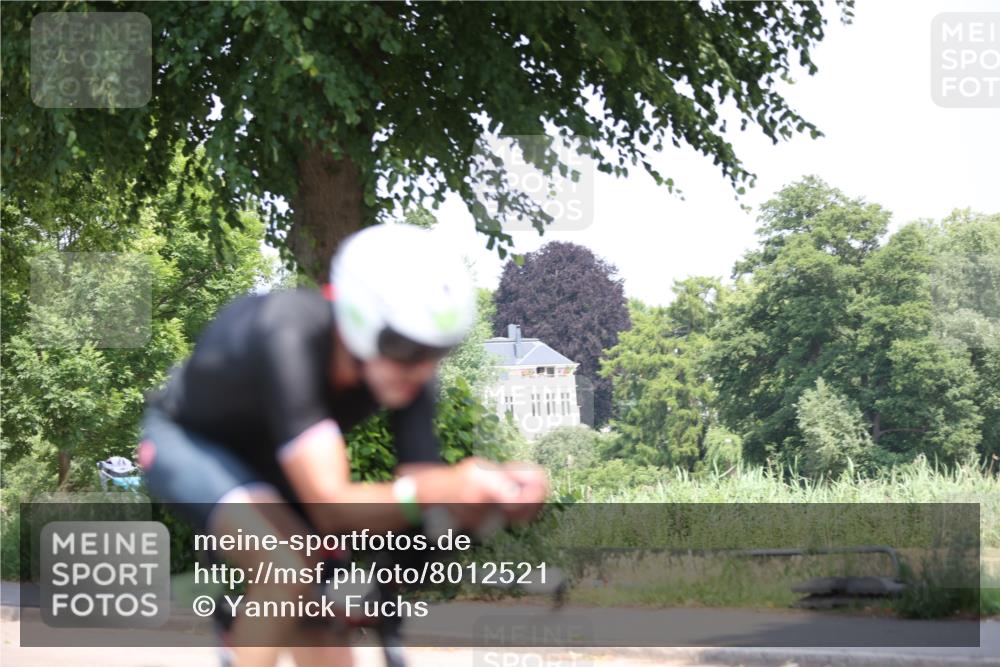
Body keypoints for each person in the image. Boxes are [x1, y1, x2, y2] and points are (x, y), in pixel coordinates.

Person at [137, 223, 548, 667]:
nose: (422, 369)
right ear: (358, 318)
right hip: (187, 440)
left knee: (324, 617)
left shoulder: (408, 369)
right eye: (409, 349)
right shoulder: (289, 333)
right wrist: (443, 489)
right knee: (286, 566)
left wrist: (488, 494)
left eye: (437, 352)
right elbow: (330, 504)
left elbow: (420, 496)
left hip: (272, 460)